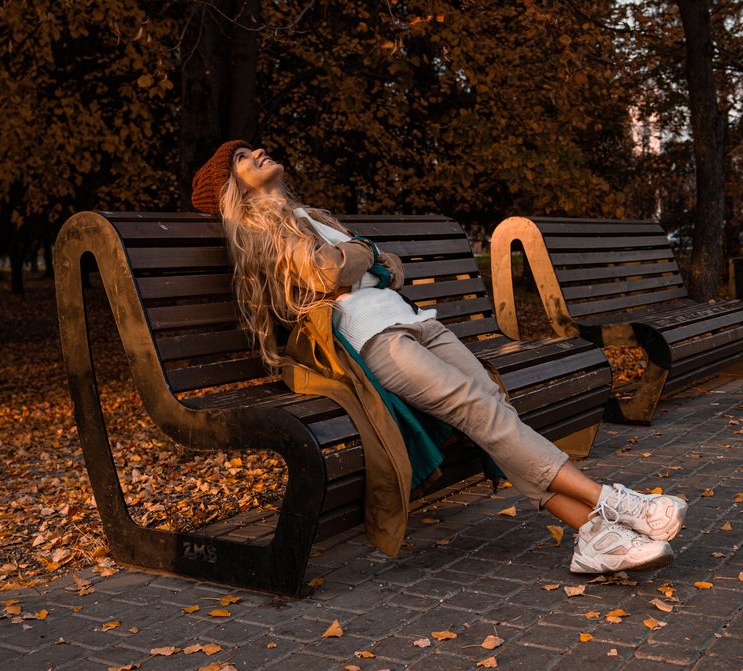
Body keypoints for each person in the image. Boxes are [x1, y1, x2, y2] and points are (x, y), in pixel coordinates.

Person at [190, 140, 688, 573]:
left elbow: (392, 269)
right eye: (242, 157)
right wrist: (365, 255)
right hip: (375, 338)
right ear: (232, 186)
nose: (257, 151)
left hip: (417, 321)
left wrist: (362, 258)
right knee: (479, 409)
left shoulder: (309, 218)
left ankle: (593, 537)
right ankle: (615, 504)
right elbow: (330, 273)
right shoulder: (261, 231)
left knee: (493, 407)